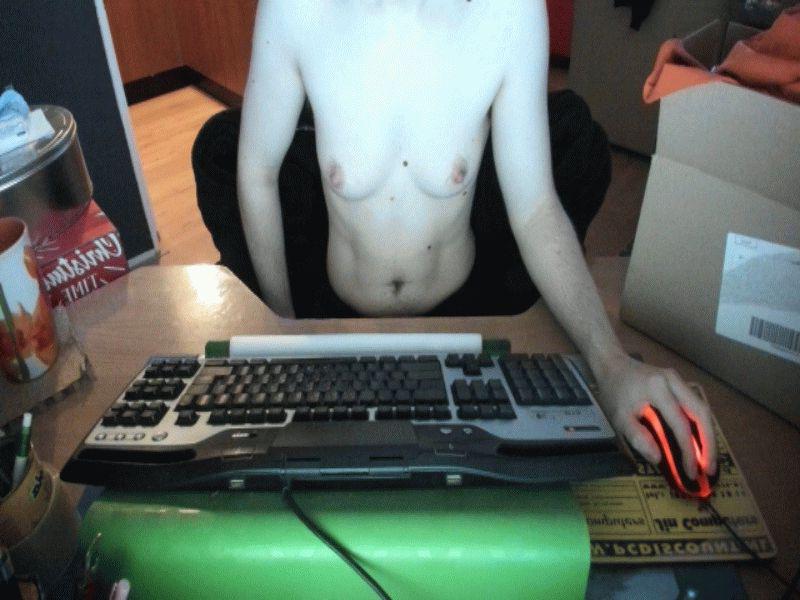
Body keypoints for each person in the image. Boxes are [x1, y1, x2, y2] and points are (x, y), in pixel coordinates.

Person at [236, 0, 717, 478]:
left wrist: (610, 364)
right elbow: (257, 173)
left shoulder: (508, 12)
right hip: (336, 313)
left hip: (468, 309)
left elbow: (535, 209)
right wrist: (286, 328)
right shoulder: (295, 10)